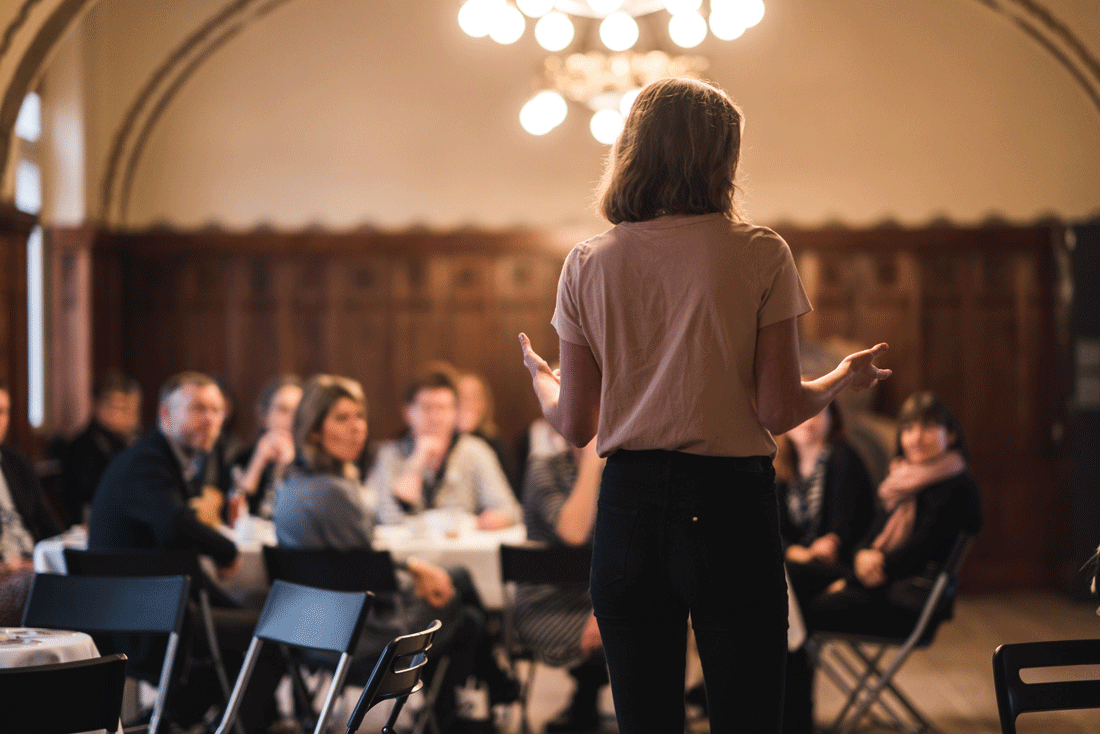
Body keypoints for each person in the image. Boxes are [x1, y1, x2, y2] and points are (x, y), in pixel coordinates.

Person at [518, 77, 891, 734]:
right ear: (722, 157)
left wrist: (541, 380)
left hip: (629, 507)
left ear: (633, 150)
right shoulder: (760, 252)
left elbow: (576, 423)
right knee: (747, 716)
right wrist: (837, 379)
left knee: (646, 720)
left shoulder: (586, 262)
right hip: (727, 507)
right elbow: (777, 409)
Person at [87, 372, 281, 733]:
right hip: (140, 619)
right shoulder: (146, 462)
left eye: (216, 410)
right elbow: (175, 525)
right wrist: (225, 550)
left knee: (261, 630)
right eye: (197, 409)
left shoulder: (171, 460)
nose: (209, 419)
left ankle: (173, 720)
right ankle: (187, 722)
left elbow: (177, 542)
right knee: (271, 636)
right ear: (164, 415)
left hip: (159, 607)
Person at [802, 391, 982, 636]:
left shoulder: (956, 487)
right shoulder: (901, 482)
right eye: (908, 429)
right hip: (882, 583)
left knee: (798, 609)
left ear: (950, 435)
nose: (916, 438)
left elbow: (919, 550)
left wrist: (851, 580)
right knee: (790, 578)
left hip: (909, 599)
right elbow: (871, 531)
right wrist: (859, 559)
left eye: (928, 427)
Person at [515, 437, 608, 733]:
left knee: (661, 622)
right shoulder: (544, 468)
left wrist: (602, 607)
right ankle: (585, 705)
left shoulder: (622, 469)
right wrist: (592, 462)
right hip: (547, 605)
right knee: (629, 630)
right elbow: (574, 532)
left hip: (599, 600)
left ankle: (660, 716)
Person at [370, 367, 522, 530]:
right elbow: (385, 518)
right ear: (408, 412)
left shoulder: (475, 450)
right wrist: (418, 460)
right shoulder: (390, 454)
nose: (435, 418)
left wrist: (496, 518)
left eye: (443, 408)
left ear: (455, 412)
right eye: (426, 408)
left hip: (461, 550)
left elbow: (510, 510)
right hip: (406, 551)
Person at [777, 400, 875, 603]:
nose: (808, 420)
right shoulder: (781, 466)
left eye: (817, 412)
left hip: (844, 563)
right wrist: (798, 552)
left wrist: (810, 553)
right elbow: (774, 528)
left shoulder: (844, 457)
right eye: (799, 412)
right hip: (801, 560)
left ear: (833, 418)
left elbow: (841, 534)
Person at [0, 383, 63, 622]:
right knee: (39, 588)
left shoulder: (15, 461)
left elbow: (51, 527)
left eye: (3, 411)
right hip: (10, 578)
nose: (0, 420)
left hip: (34, 566)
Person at [60, 370, 142, 526]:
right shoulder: (81, 447)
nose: (128, 415)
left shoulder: (128, 441)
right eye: (118, 407)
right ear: (97, 405)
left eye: (128, 408)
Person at [230, 375, 301, 520]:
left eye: (298, 412)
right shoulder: (242, 458)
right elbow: (233, 518)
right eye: (283, 410)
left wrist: (286, 466)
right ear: (264, 415)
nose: (291, 419)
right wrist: (257, 462)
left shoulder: (312, 462)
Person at [456, 370, 518, 495]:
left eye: (474, 398)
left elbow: (510, 496)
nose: (466, 404)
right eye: (461, 397)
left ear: (484, 404)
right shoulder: (442, 443)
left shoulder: (496, 446)